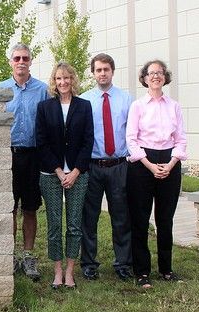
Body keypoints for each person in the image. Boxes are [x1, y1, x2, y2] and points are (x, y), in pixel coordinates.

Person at [126, 59, 187, 289]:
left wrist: (170, 164)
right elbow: (131, 140)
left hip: (169, 162)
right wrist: (151, 166)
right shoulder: (137, 106)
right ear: (144, 78)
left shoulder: (174, 106)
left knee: (165, 220)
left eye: (160, 73)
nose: (155, 76)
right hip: (142, 163)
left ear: (165, 77)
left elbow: (181, 139)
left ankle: (166, 269)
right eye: (151, 73)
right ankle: (142, 272)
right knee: (140, 220)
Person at [36, 62, 93, 289]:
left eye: (67, 78)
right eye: (59, 78)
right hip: (51, 173)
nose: (63, 82)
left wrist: (76, 171)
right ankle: (57, 270)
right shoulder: (44, 107)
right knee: (54, 224)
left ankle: (70, 270)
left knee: (74, 225)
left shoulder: (84, 106)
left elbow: (88, 141)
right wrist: (59, 171)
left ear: (73, 80)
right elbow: (41, 142)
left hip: (78, 174)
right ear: (54, 81)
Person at [0, 43, 48, 281]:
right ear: (10, 61)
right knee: (9, 208)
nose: (21, 62)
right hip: (7, 155)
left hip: (33, 156)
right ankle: (10, 255)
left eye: (25, 58)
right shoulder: (0, 90)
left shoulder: (42, 90)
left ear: (31, 60)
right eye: (16, 58)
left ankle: (28, 255)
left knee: (29, 207)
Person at [79, 53, 134, 281]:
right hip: (92, 166)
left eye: (106, 70)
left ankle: (123, 263)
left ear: (113, 71)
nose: (102, 73)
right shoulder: (83, 100)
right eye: (98, 70)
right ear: (93, 73)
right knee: (89, 217)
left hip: (119, 165)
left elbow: (133, 132)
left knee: (121, 217)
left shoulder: (126, 99)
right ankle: (89, 263)